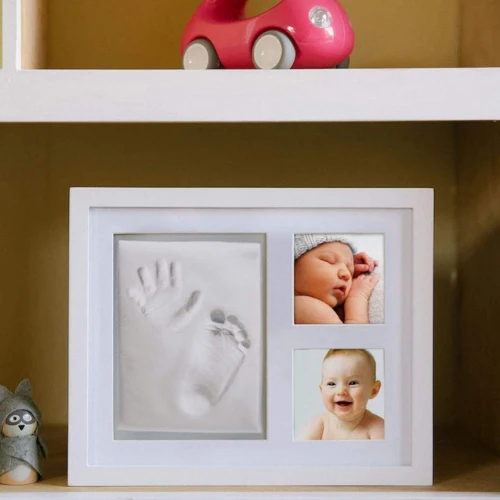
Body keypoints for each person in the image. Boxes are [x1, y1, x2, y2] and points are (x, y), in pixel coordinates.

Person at [297, 349, 384, 440]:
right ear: (322, 390)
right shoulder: (319, 425)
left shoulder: (378, 428)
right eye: (331, 384)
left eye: (353, 383)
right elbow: (298, 448)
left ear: (373, 390)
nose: (341, 391)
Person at [294, 234, 379, 324]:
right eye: (329, 261)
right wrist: (357, 298)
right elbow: (354, 333)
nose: (346, 274)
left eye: (350, 269)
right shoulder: (307, 307)